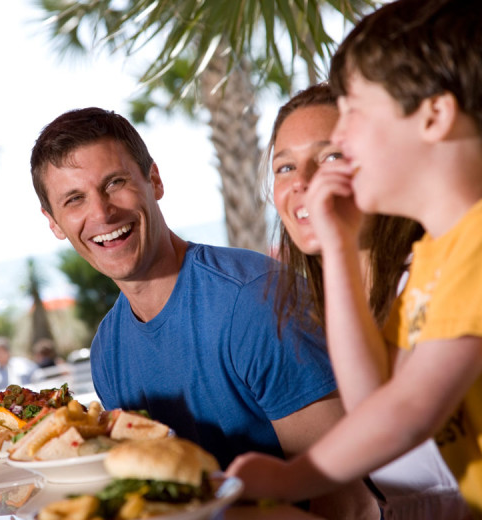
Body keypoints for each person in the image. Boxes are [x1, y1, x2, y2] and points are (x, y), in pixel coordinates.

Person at [30, 106, 378, 517]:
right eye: (75, 200)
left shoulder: (253, 300)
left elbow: (350, 502)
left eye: (116, 183)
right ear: (53, 222)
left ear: (154, 180)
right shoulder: (107, 350)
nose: (103, 213)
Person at [226, 0, 482, 516]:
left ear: (434, 114)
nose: (342, 138)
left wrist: (293, 476)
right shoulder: (439, 254)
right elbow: (376, 402)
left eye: (355, 113)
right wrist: (339, 246)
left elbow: (411, 415)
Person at [267, 83, 466, 518]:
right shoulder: (321, 310)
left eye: (331, 156)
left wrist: (283, 480)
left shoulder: (433, 275)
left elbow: (396, 418)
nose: (303, 182)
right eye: (285, 167)